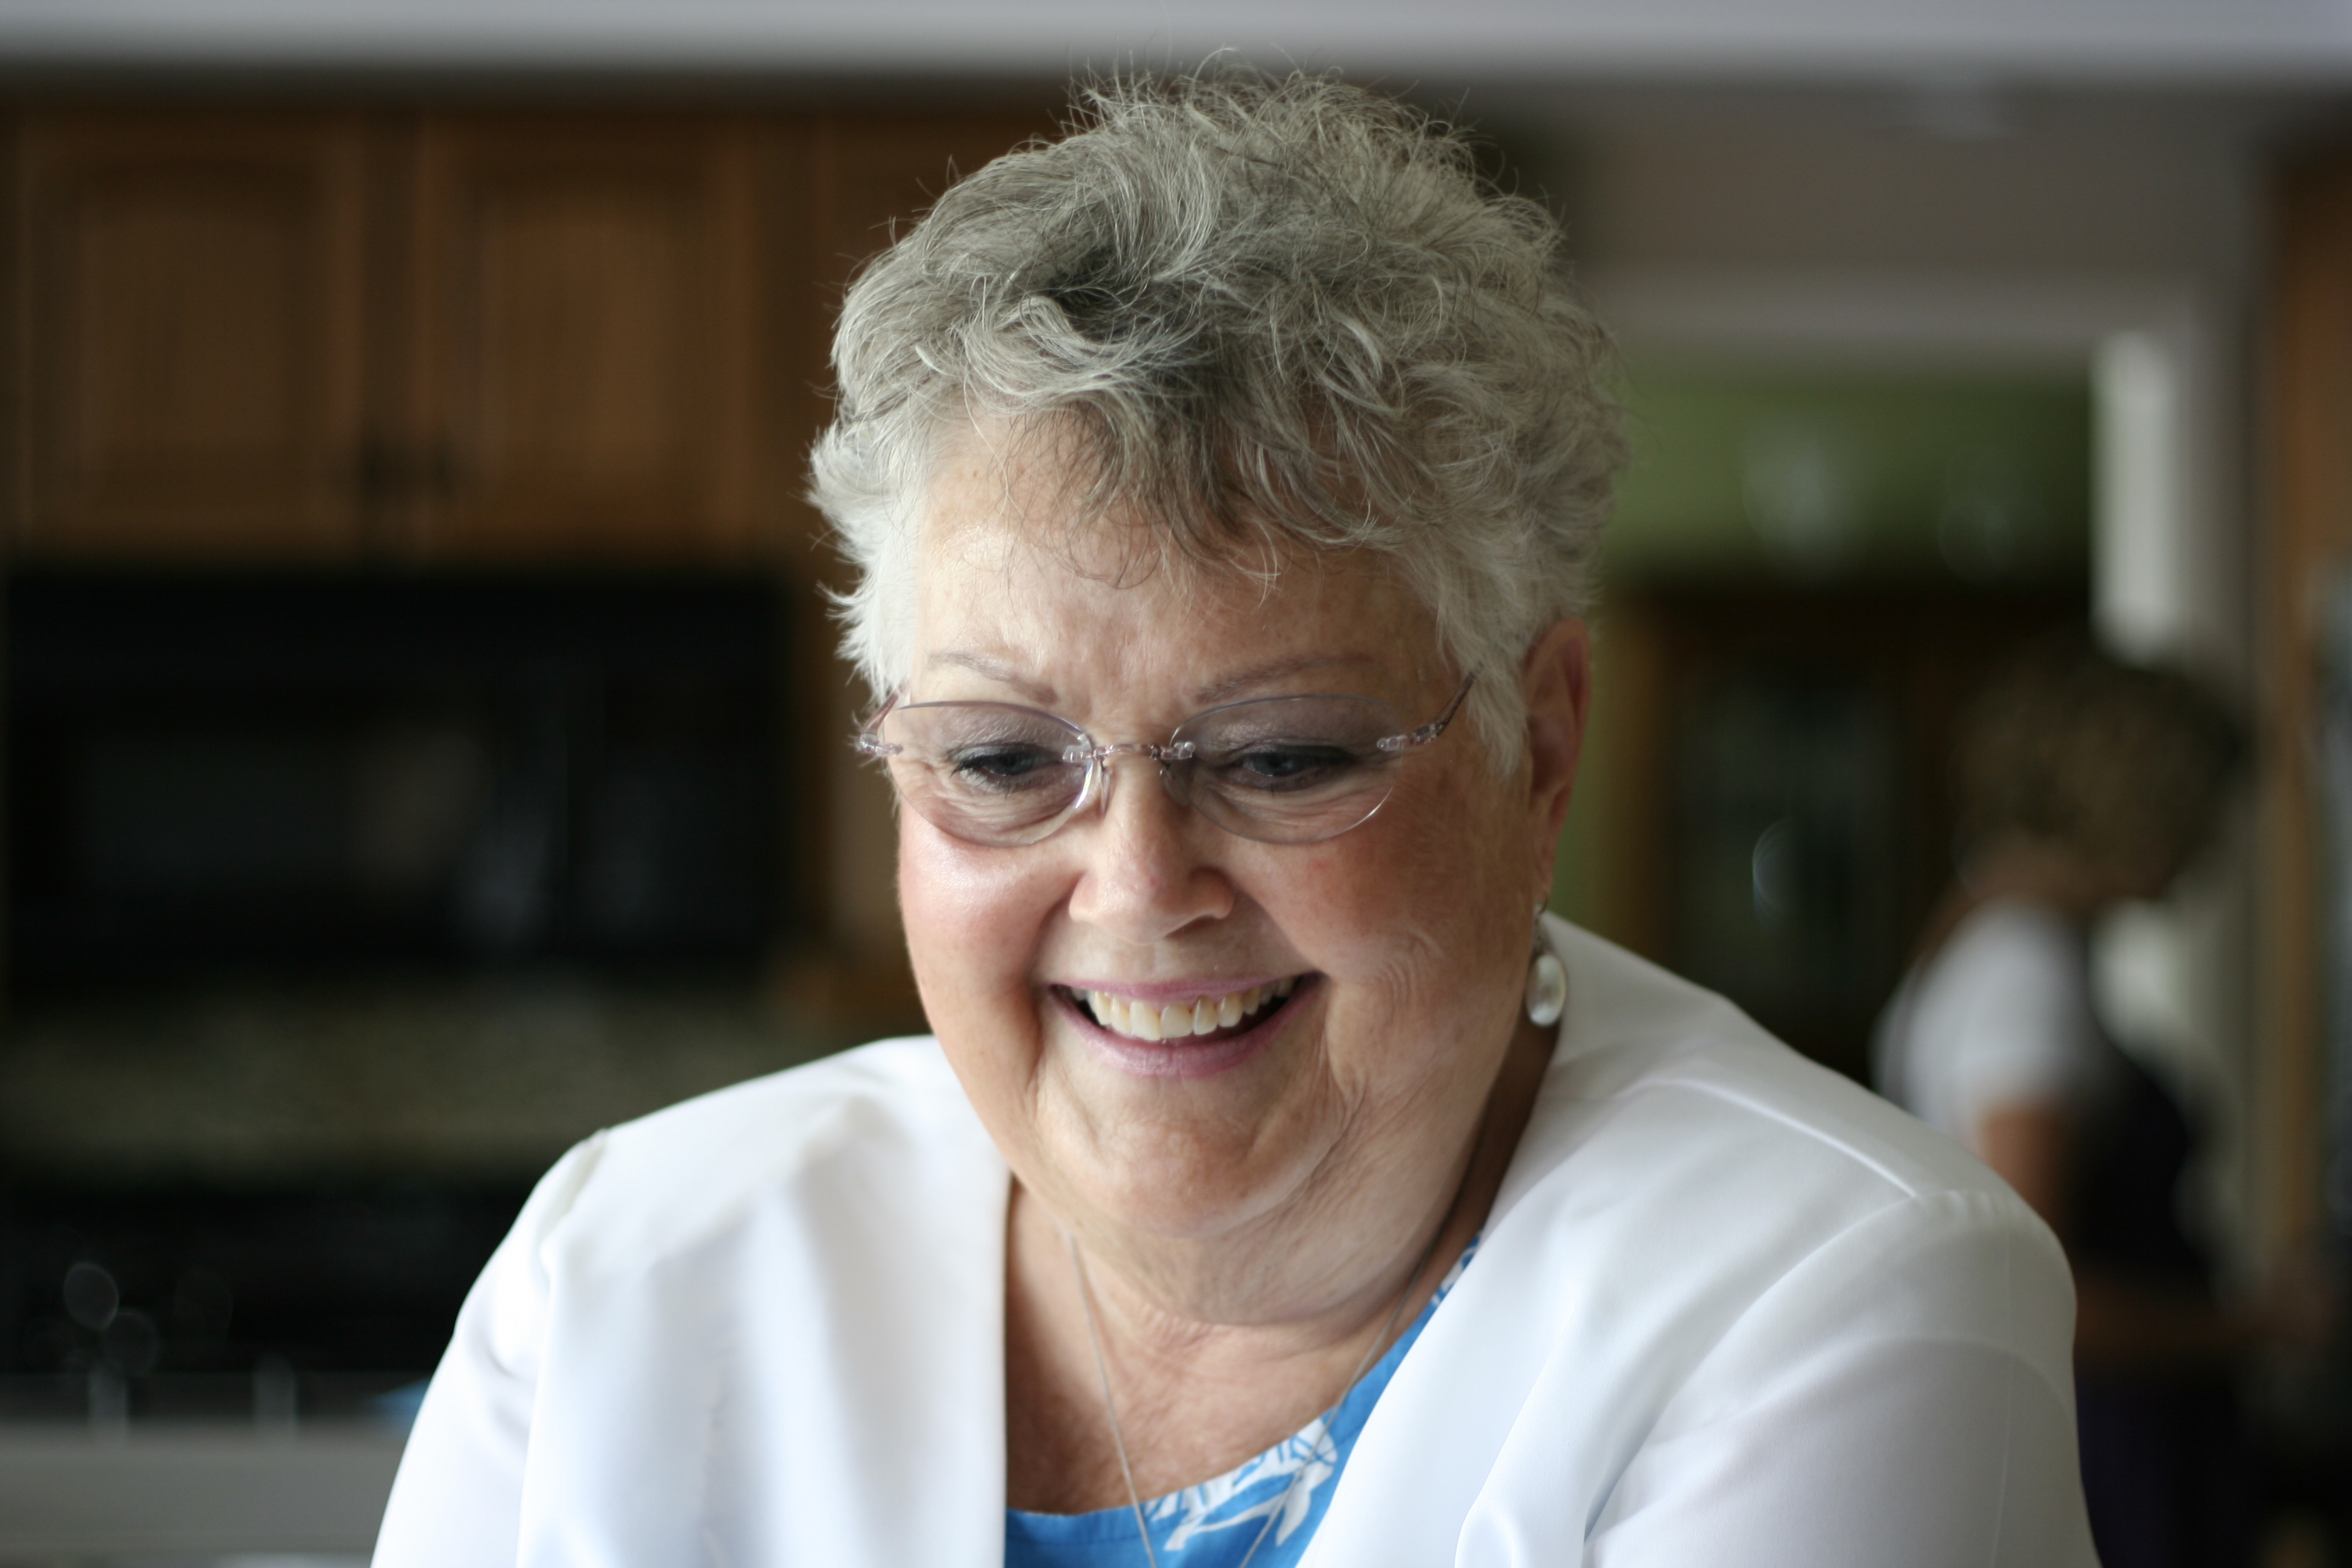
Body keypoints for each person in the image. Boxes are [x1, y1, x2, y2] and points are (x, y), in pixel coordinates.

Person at [374, 71, 2094, 1565]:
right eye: (1001, 761)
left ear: (1542, 747)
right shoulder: (624, 1273)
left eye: (1280, 758)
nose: (1137, 888)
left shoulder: (1845, 1298)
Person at [1875, 640, 2324, 1568]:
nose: (2215, 847)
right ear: (2146, 806)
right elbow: (2045, 1291)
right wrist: (2259, 1323)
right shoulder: (2023, 978)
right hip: (2112, 1459)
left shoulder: (1983, 928)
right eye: (2207, 809)